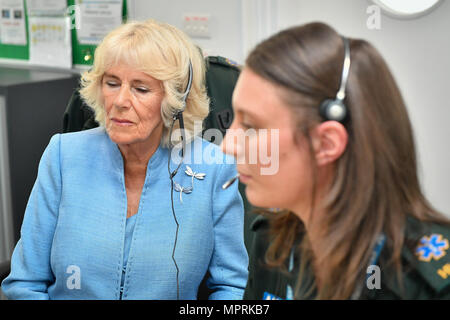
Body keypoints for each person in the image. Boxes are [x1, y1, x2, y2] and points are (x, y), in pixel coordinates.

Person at [1, 19, 248, 300]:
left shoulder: (214, 167)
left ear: (176, 101)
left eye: (141, 89)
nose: (119, 100)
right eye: (112, 83)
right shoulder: (63, 155)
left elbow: (231, 288)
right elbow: (24, 283)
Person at [221, 22, 450, 299]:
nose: (227, 145)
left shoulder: (428, 284)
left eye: (251, 127)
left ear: (327, 143)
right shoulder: (273, 242)